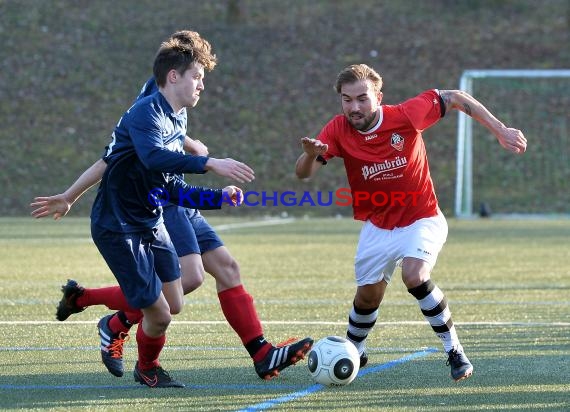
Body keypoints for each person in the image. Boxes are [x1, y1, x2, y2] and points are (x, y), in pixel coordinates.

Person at [31, 30, 313, 383]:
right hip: (137, 211)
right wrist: (209, 162)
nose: (202, 84)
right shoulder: (147, 106)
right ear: (173, 74)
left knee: (207, 278)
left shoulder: (177, 113)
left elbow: (170, 164)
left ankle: (261, 353)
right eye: (197, 75)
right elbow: (127, 158)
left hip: (163, 196)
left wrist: (217, 195)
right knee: (177, 290)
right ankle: (124, 336)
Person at [295, 64, 527, 382]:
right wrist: (309, 155)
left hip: (422, 218)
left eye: (362, 98)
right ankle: (355, 352)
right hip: (378, 225)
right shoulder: (337, 129)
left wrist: (500, 130)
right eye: (347, 100)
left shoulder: (406, 115)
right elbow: (303, 174)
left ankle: (455, 351)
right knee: (367, 297)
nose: (354, 107)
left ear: (378, 96)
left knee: (414, 274)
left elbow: (456, 97)